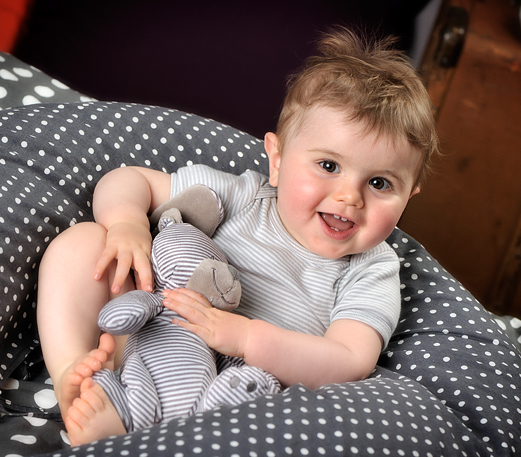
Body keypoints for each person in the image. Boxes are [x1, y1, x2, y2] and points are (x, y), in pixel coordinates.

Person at [36, 26, 439, 446]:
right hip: (145, 330)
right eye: (329, 166)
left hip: (238, 390)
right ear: (278, 160)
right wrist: (127, 225)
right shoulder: (244, 194)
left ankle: (138, 422)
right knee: (82, 244)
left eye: (379, 183)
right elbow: (128, 179)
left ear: (408, 196)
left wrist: (245, 339)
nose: (348, 197)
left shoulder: (373, 269)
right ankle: (76, 373)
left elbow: (349, 361)